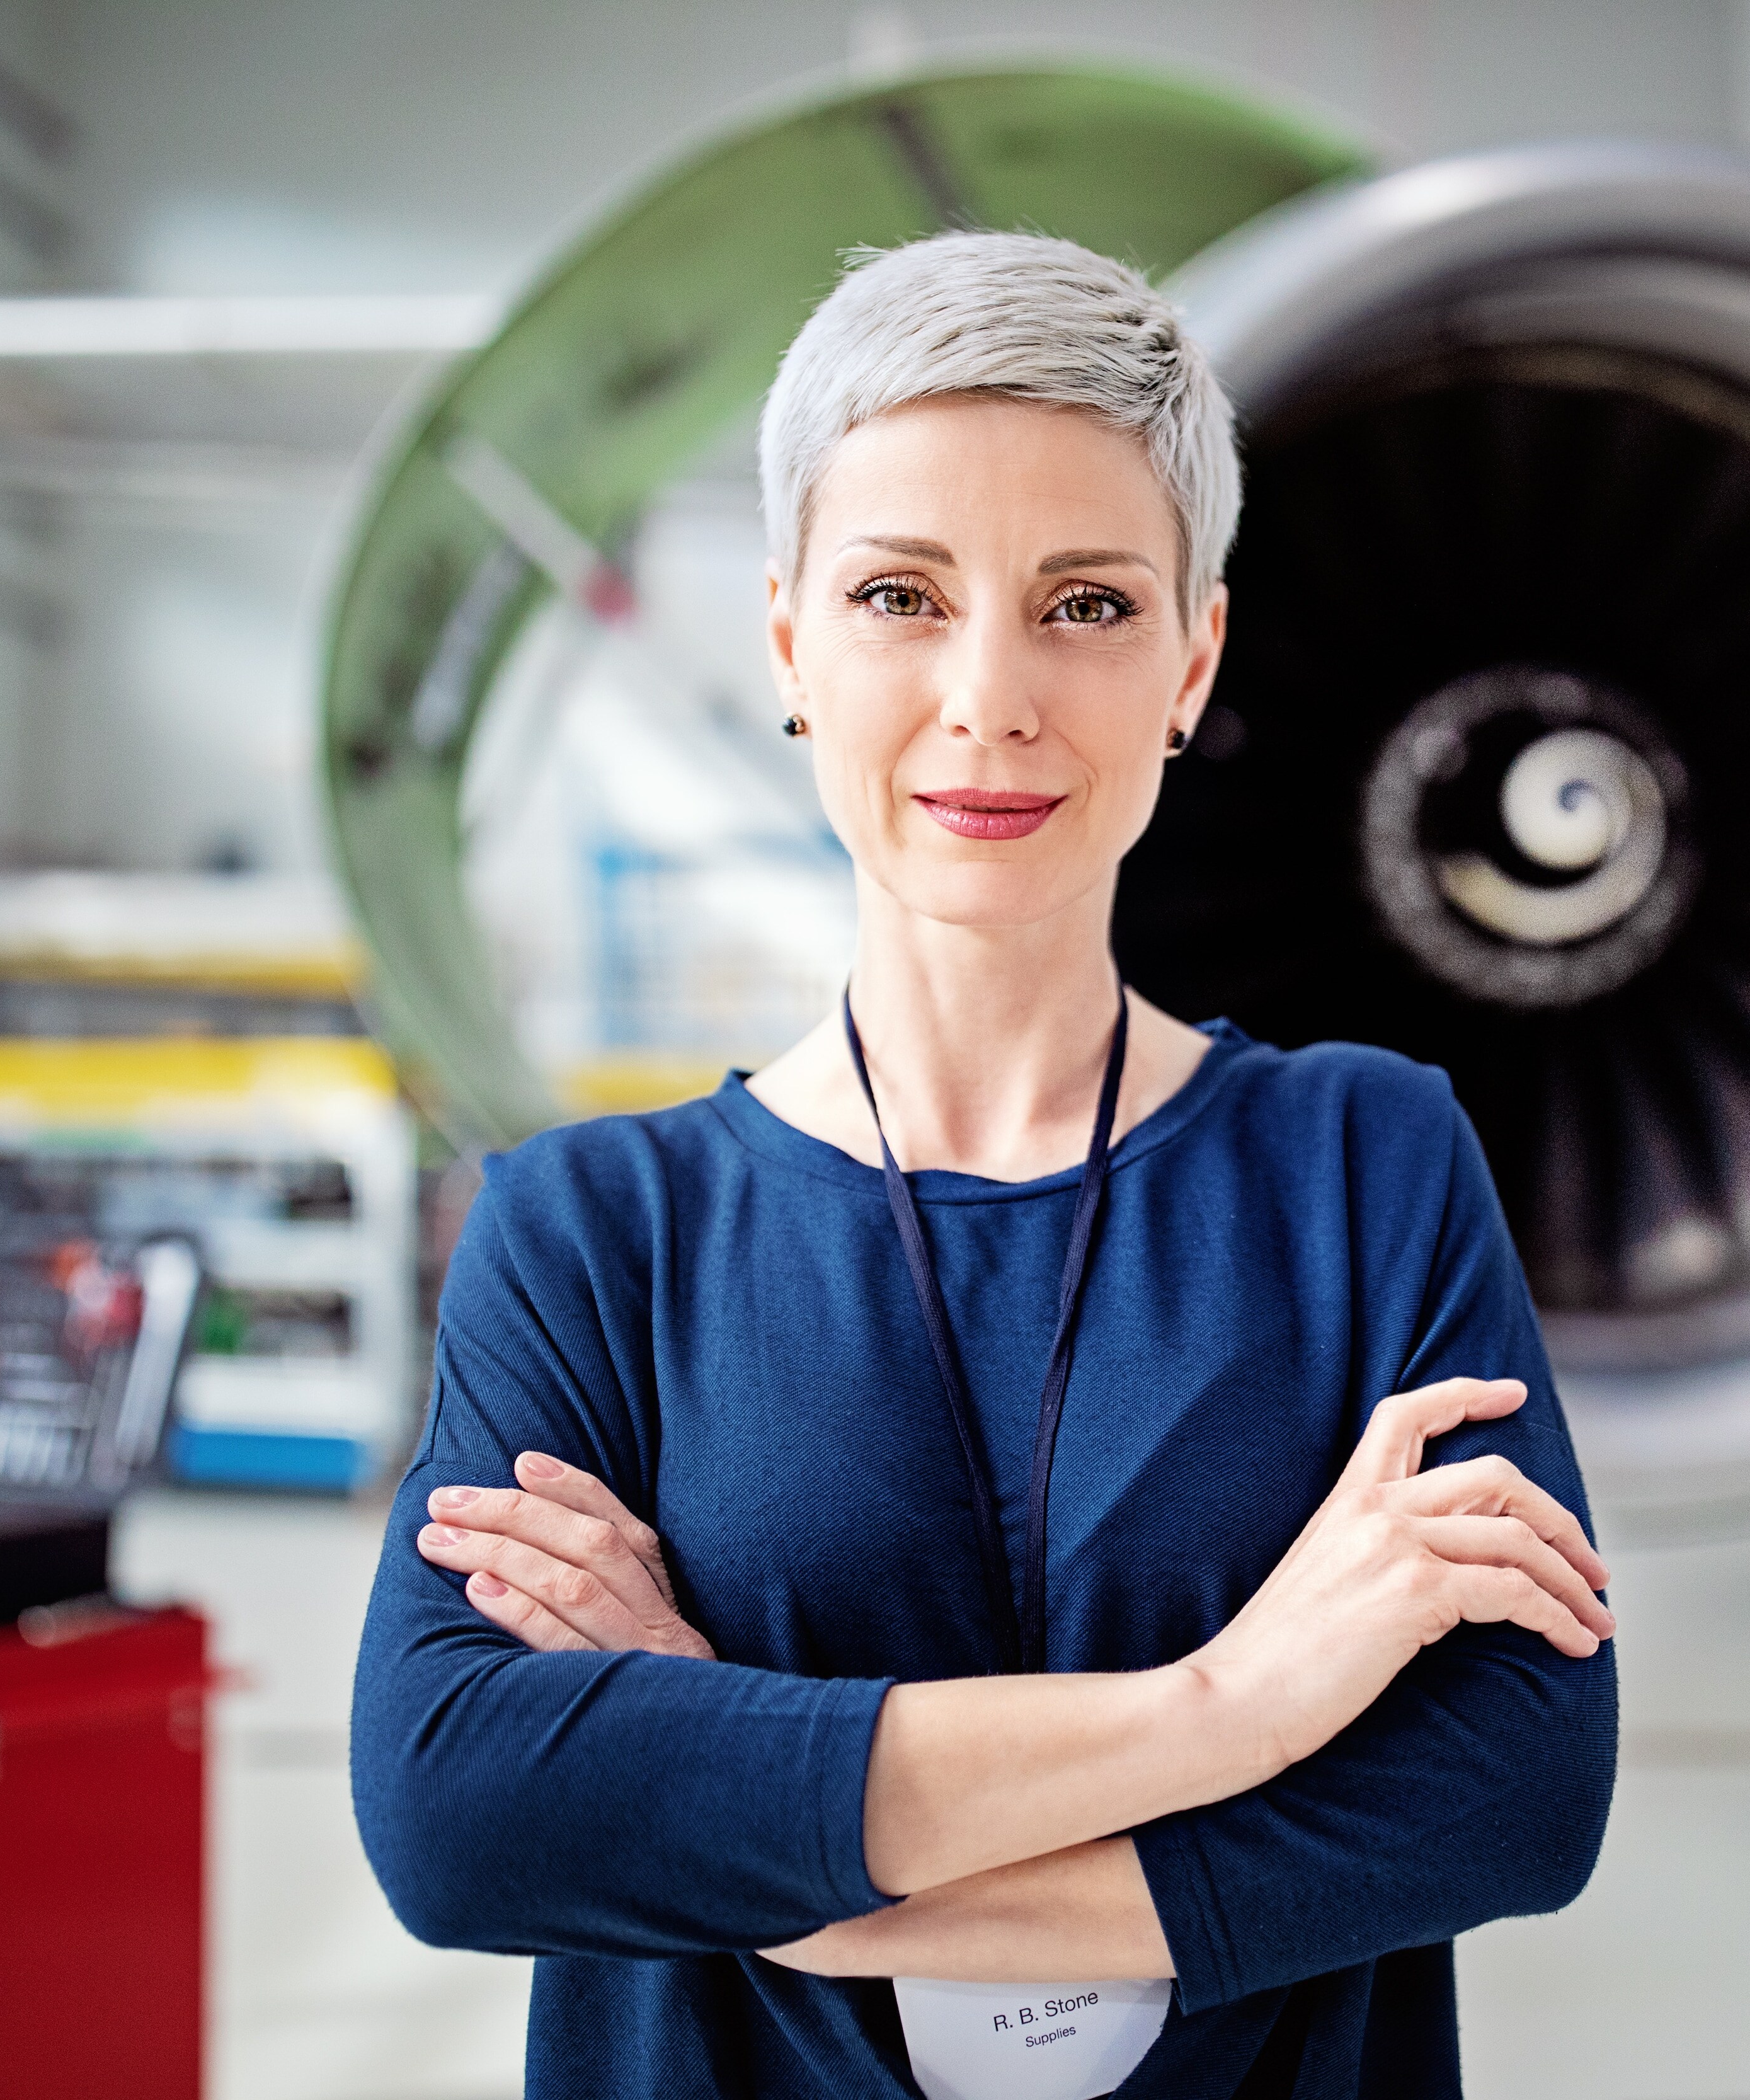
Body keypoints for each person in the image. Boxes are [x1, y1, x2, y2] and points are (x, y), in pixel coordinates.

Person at [349, 230, 1619, 2100]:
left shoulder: (1368, 1164)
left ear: (1194, 657)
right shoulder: (596, 1234)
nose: (991, 693)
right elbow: (461, 1815)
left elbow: (1514, 1785)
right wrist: (1234, 1707)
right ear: (790, 642)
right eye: (899, 595)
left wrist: (772, 1848)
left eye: (1088, 604)